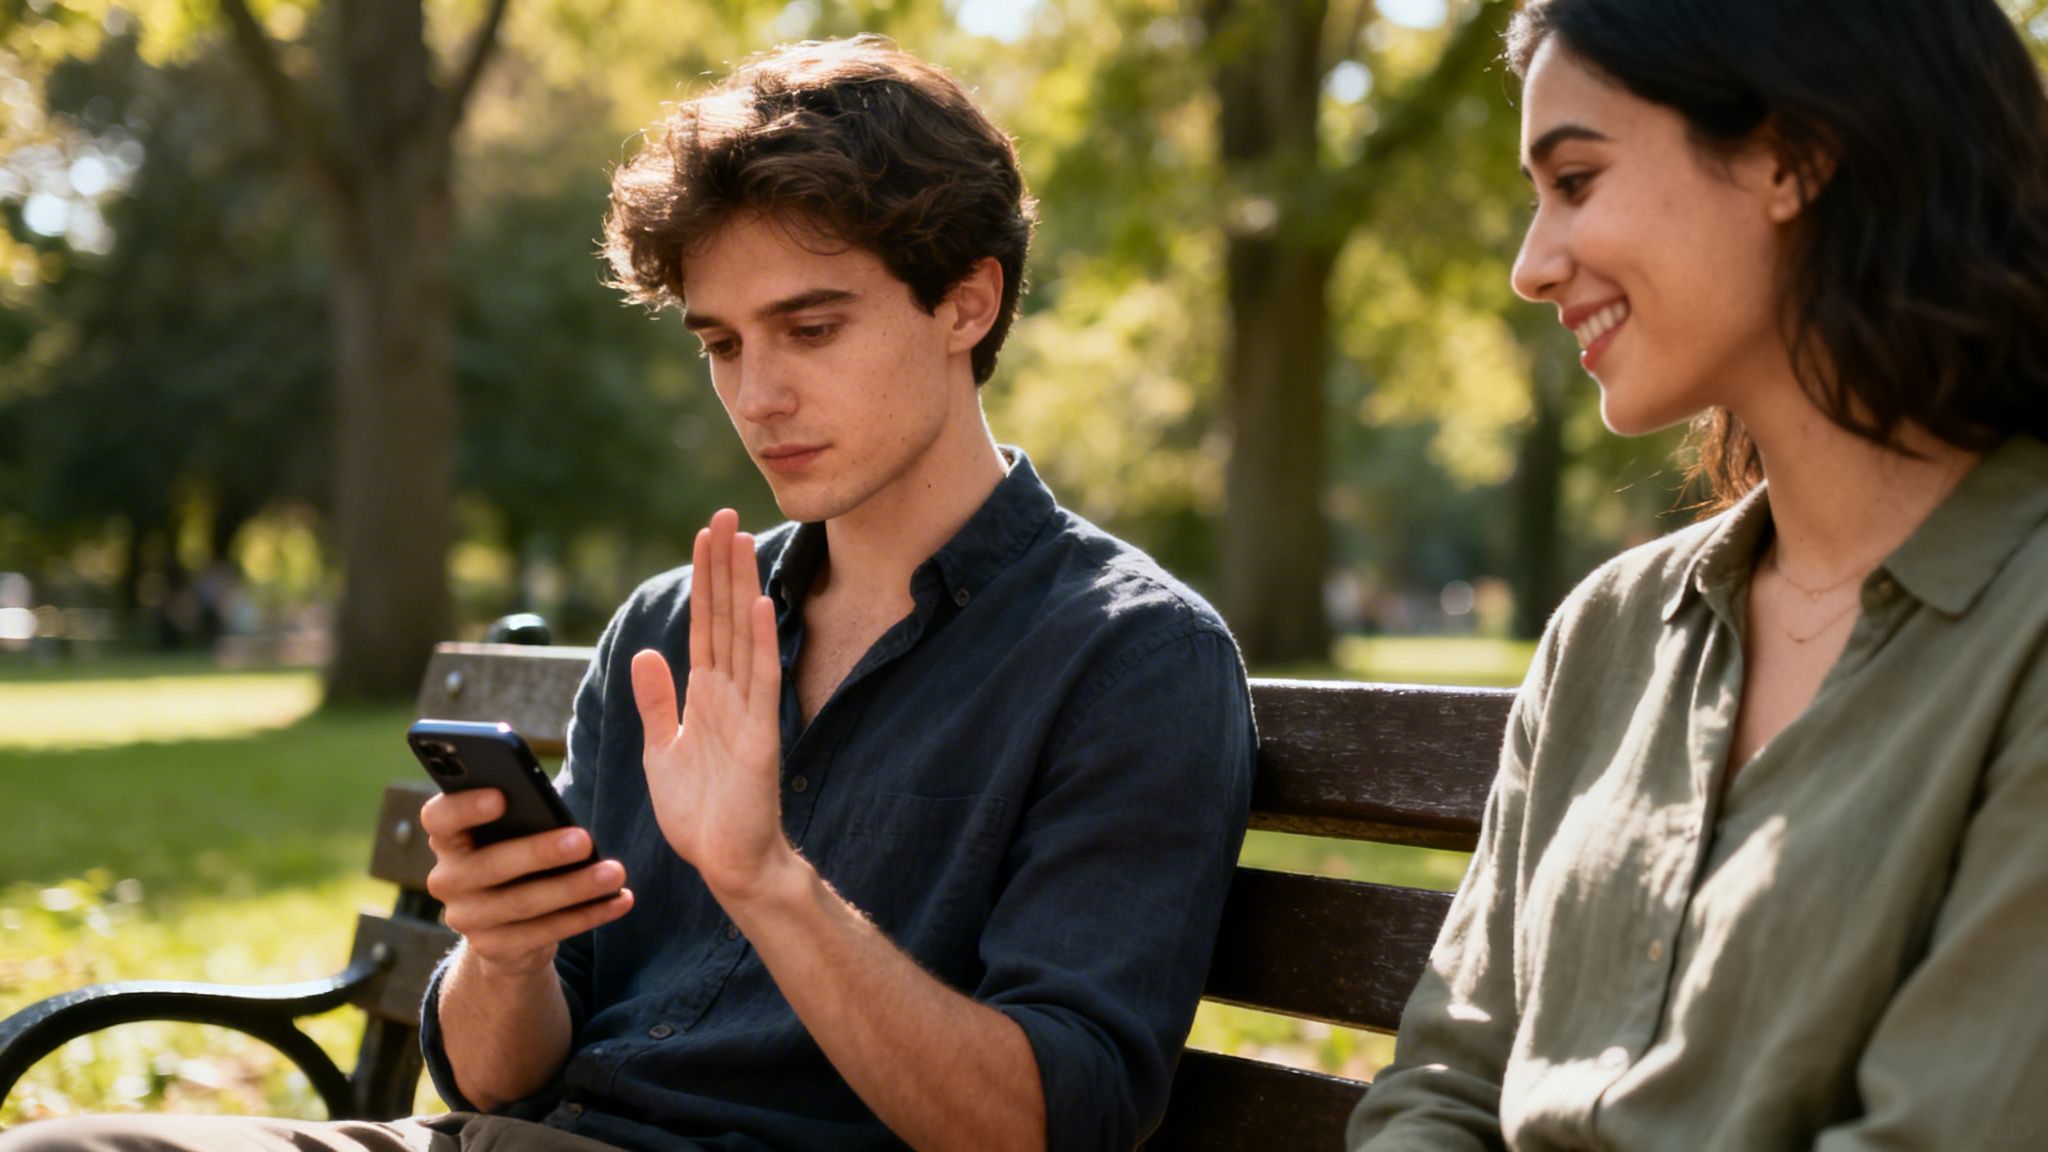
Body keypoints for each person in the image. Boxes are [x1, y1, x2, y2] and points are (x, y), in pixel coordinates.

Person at [1, 36, 1255, 1152]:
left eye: (809, 329)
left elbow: (1053, 1122)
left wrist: (766, 878)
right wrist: (507, 950)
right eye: (720, 344)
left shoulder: (1128, 657)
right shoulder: (667, 628)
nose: (754, 396)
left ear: (964, 303)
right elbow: (497, 1077)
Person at [1348, 1, 2048, 1149]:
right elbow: (1445, 1081)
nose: (1529, 267)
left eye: (1573, 180)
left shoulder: (2018, 623)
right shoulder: (1608, 634)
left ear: (1791, 156)